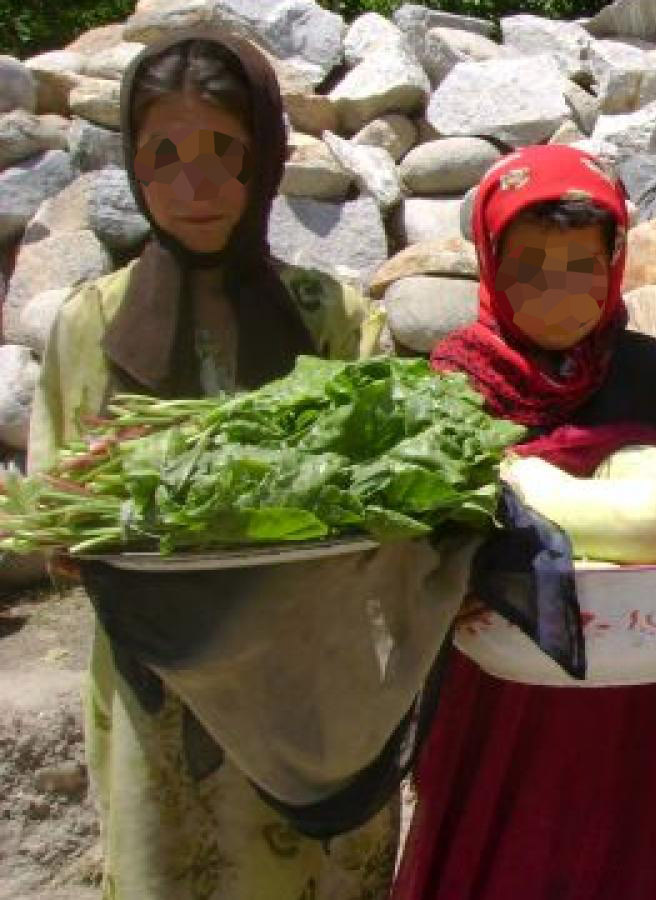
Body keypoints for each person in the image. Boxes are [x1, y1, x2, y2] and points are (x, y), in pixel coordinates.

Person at [27, 35, 391, 898]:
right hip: (160, 674)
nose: (194, 187)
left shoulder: (336, 320)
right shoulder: (91, 325)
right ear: (132, 162)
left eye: (224, 152)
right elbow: (51, 517)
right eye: (165, 155)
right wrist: (75, 519)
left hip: (310, 682)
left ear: (266, 157)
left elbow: (381, 506)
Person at [390, 143, 656, 900]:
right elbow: (409, 546)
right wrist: (442, 588)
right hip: (506, 697)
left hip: (649, 698)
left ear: (614, 264)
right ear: (490, 263)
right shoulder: (456, 387)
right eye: (530, 267)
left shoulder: (652, 374)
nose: (559, 293)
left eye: (582, 266)